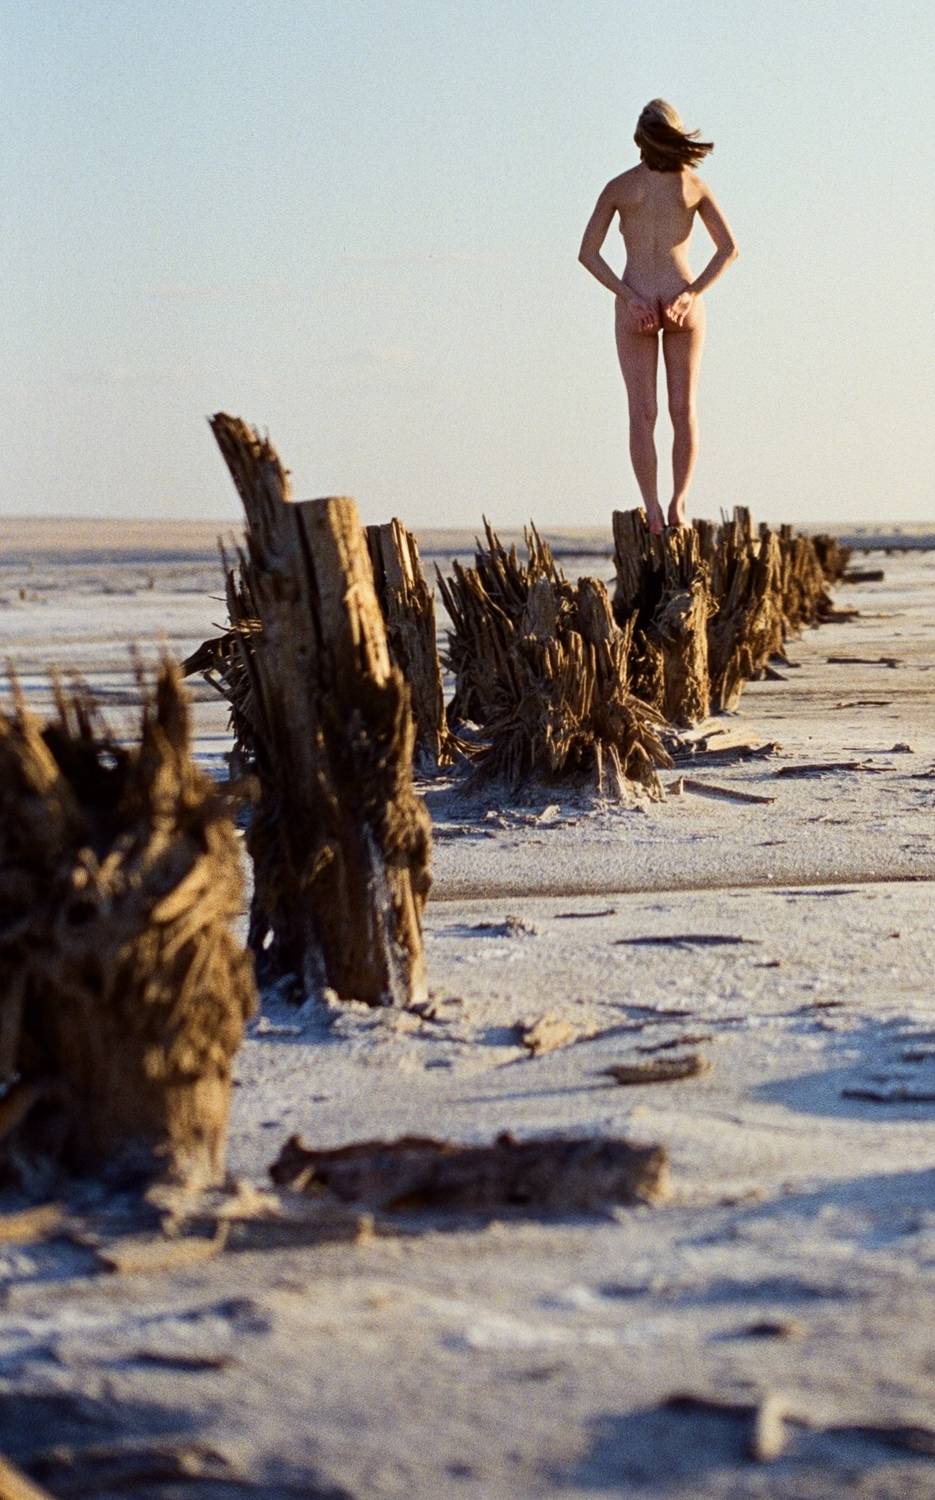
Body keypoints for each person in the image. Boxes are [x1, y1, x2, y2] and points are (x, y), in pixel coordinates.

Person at [578, 98, 738, 533]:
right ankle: (677, 506)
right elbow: (729, 249)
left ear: (639, 138)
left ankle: (652, 509)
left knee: (642, 413)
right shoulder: (693, 186)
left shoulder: (619, 187)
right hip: (681, 300)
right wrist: (691, 294)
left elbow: (587, 253)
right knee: (683, 410)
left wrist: (628, 296)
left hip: (638, 301)